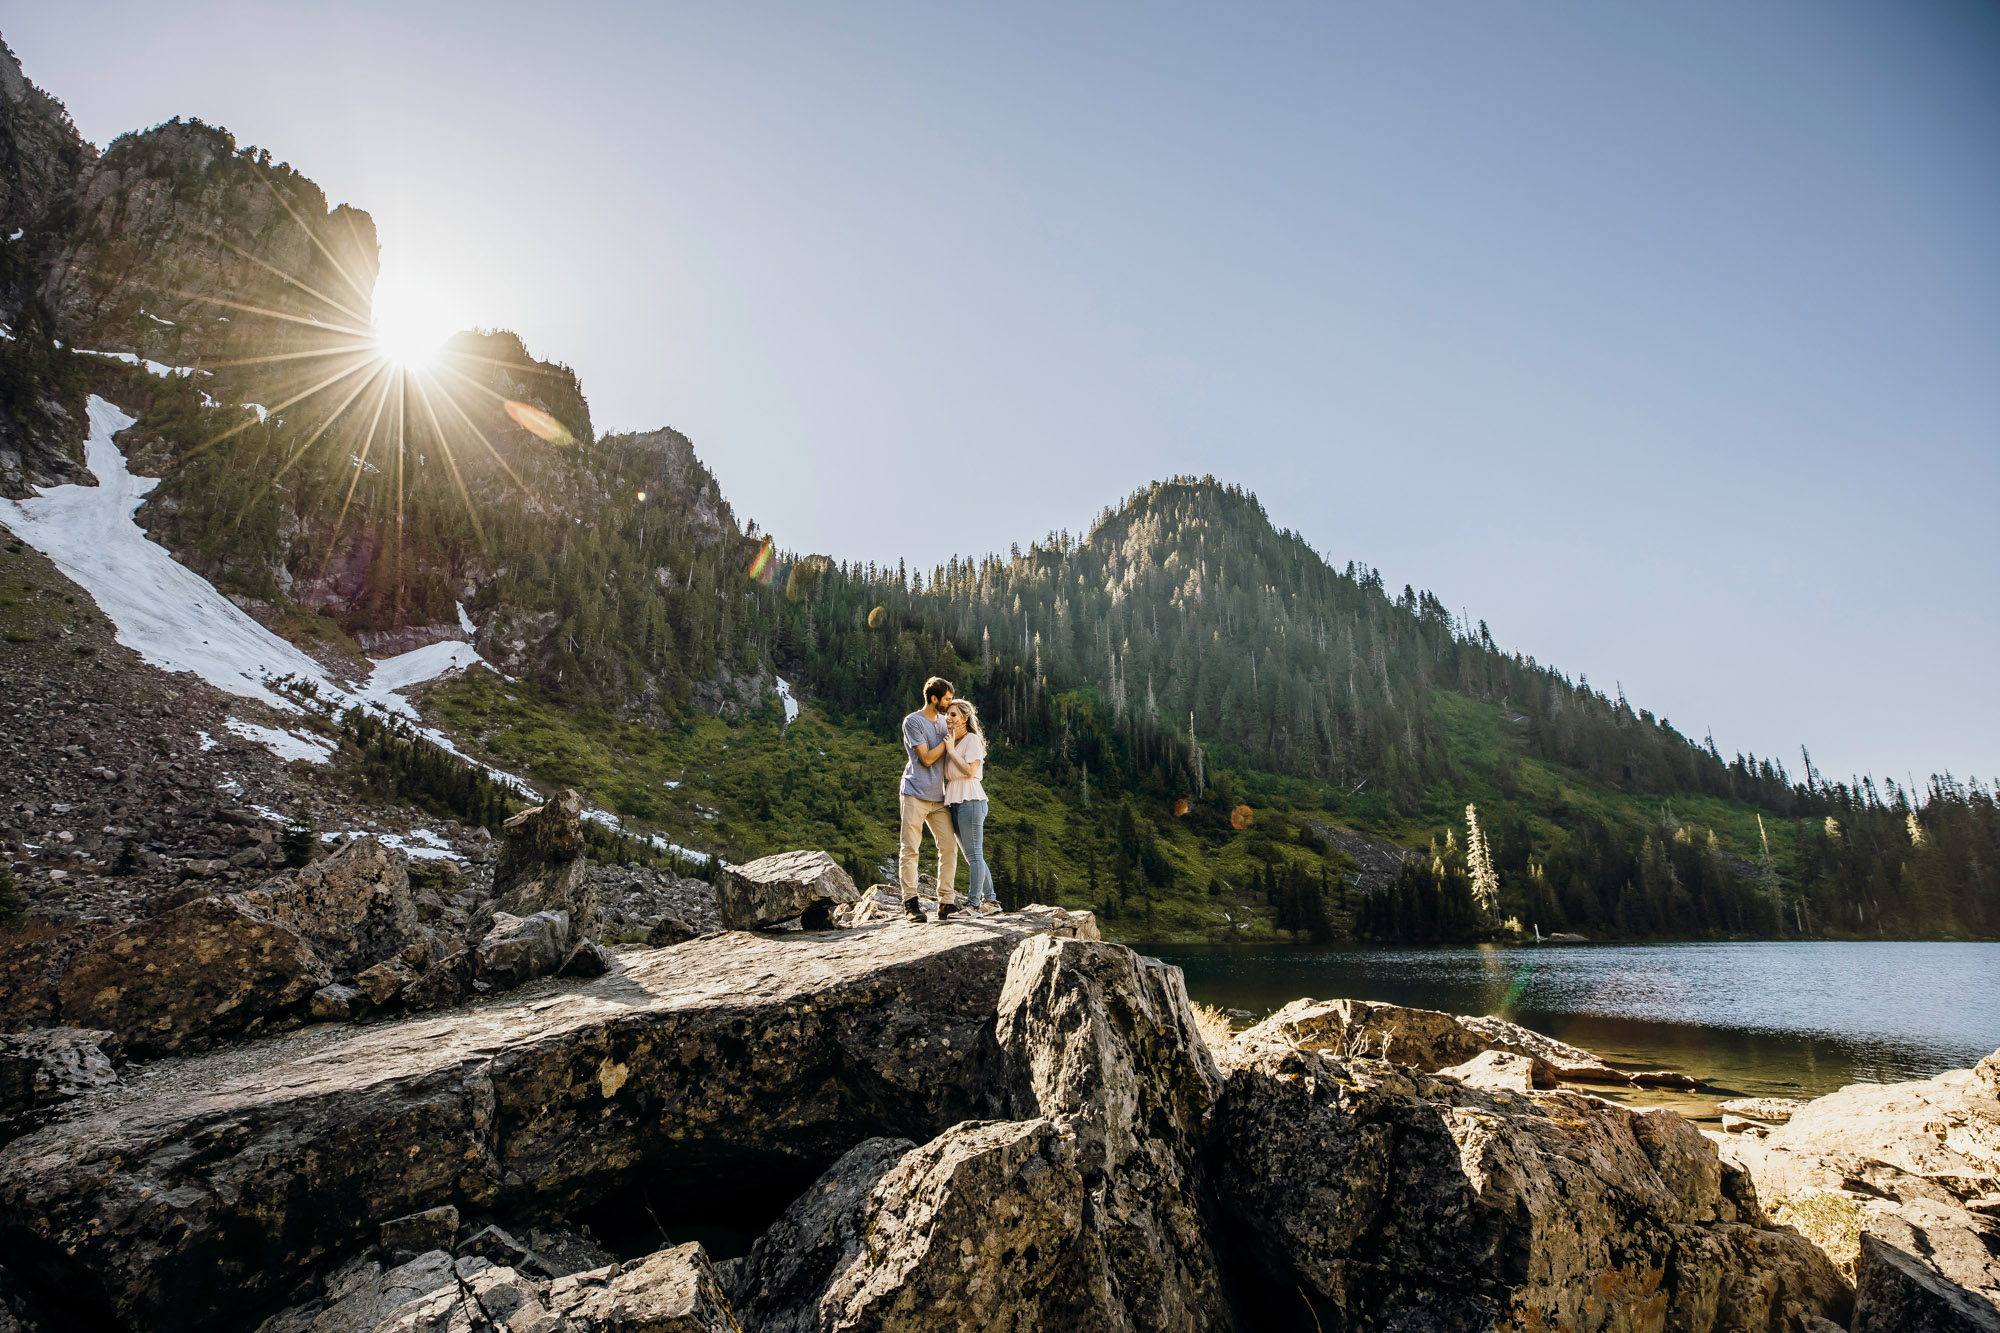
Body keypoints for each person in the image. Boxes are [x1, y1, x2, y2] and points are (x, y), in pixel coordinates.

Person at [898, 675, 960, 922]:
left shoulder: (945, 724)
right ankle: (910, 903)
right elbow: (925, 758)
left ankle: (946, 902)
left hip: (938, 797)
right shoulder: (912, 722)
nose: (950, 703)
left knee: (948, 847)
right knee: (910, 849)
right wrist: (947, 745)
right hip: (914, 792)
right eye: (947, 699)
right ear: (934, 699)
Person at [942, 700, 996, 914]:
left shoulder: (971, 739)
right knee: (973, 856)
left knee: (974, 855)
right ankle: (991, 901)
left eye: (953, 715)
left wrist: (951, 751)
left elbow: (971, 771)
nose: (949, 718)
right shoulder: (953, 740)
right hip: (956, 800)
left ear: (964, 718)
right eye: (947, 714)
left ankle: (974, 904)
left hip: (971, 799)